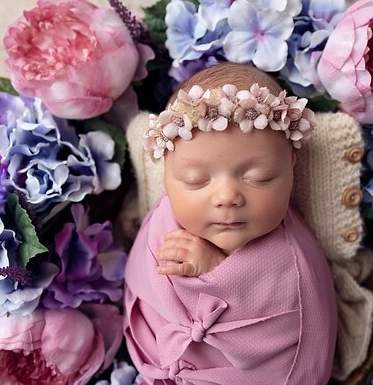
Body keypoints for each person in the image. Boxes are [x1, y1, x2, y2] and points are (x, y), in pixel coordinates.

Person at [123, 65, 336, 385]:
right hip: (163, 364)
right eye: (195, 181)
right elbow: (142, 282)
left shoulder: (291, 260)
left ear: (291, 164)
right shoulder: (164, 221)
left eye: (258, 178)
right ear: (166, 172)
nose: (227, 197)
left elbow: (302, 324)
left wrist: (216, 272)